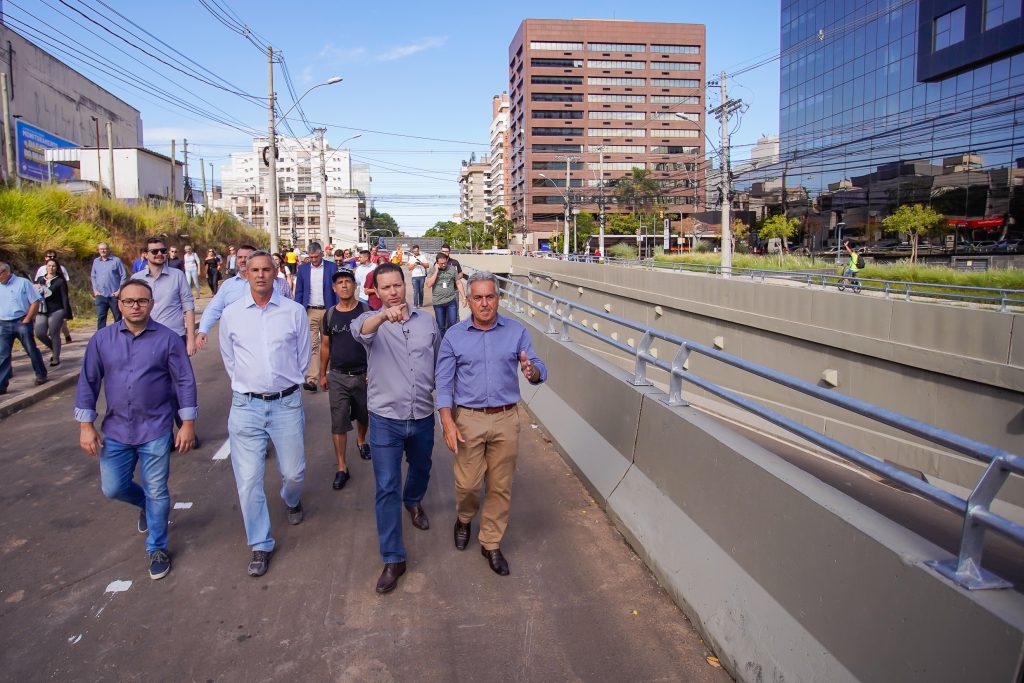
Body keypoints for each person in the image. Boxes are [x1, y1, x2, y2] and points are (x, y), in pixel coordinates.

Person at [74, 279, 197, 580]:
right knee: (113, 487)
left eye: (141, 301)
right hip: (116, 429)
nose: (135, 306)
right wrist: (85, 426)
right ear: (120, 304)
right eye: (129, 301)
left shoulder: (168, 339)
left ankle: (156, 547)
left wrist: (188, 424)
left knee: (157, 489)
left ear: (151, 304)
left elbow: (184, 381)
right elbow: (88, 381)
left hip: (156, 428)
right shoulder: (101, 340)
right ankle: (144, 505)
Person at [436, 271, 547, 576]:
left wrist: (531, 372)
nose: (484, 303)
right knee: (468, 484)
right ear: (468, 300)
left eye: (490, 297)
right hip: (468, 419)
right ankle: (464, 517)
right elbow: (443, 382)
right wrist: (447, 421)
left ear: (499, 298)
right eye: (478, 298)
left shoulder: (516, 332)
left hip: (506, 418)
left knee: (500, 486)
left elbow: (538, 367)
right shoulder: (454, 337)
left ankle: (491, 543)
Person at [219, 251, 310, 578]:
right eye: (254, 270)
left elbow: (302, 357)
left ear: (276, 274)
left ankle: (291, 499)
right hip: (245, 406)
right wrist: (250, 384)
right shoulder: (231, 315)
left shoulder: (294, 312)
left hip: (286, 404)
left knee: (294, 473)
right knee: (248, 480)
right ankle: (260, 543)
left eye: (266, 270)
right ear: (245, 274)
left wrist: (284, 385)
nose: (259, 275)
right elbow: (229, 359)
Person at [352, 263, 440, 594]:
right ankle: (393, 557)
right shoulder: (368, 321)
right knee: (386, 485)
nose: (393, 292)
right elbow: (362, 332)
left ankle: (414, 500)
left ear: (404, 285)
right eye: (385, 287)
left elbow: (439, 362)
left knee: (421, 467)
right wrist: (381, 317)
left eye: (397, 286)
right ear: (375, 291)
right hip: (385, 419)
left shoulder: (427, 322)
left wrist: (446, 406)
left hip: (421, 415)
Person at [319, 270, 371, 489]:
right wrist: (322, 373)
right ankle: (342, 467)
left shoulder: (367, 312)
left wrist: (374, 370)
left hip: (364, 376)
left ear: (354, 285)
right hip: (338, 376)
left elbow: (377, 344)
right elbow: (325, 346)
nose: (344, 286)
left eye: (347, 282)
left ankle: (361, 440)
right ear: (334, 288)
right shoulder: (330, 315)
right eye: (339, 283)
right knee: (338, 422)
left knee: (364, 414)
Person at [194, 244, 291, 351]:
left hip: (267, 341)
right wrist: (203, 330)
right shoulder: (228, 286)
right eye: (240, 257)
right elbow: (213, 309)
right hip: (237, 343)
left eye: (247, 257)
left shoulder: (270, 284)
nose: (243, 260)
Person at [131, 237, 196, 356]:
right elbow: (130, 310)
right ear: (145, 254)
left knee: (178, 375)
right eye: (155, 251)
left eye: (163, 251)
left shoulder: (178, 276)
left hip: (175, 337)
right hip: (145, 338)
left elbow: (189, 308)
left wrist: (191, 339)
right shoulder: (136, 279)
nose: (160, 254)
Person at [294, 242, 338, 392]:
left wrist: (339, 310)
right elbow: (299, 291)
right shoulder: (303, 270)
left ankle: (330, 376)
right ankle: (312, 379)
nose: (313, 260)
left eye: (316, 257)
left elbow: (336, 290)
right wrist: (297, 310)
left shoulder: (331, 267)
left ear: (321, 254)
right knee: (312, 345)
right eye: (311, 257)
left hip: (328, 310)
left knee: (330, 344)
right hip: (310, 311)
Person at [0, 261, 48, 393]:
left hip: (21, 321)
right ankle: (1, 385)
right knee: (3, 355)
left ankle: (40, 374)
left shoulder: (23, 283)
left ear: (7, 272)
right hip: (3, 323)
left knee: (31, 350)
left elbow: (35, 302)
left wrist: (27, 320)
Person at [34, 258, 73, 367]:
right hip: (42, 310)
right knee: (40, 332)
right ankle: (54, 347)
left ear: (57, 268)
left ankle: (56, 357)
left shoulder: (60, 281)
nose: (51, 268)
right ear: (45, 267)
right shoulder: (40, 279)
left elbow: (64, 297)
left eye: (53, 266)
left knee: (54, 332)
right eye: (49, 266)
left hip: (56, 309)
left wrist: (66, 313)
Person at [35, 249, 72, 344]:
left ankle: (66, 336)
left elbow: (64, 284)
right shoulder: (41, 270)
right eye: (49, 257)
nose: (51, 258)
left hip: (57, 301)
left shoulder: (61, 268)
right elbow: (37, 283)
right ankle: (54, 345)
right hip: (44, 302)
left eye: (53, 257)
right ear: (45, 258)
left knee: (62, 323)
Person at [426, 252, 464, 337]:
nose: (443, 265)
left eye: (445, 263)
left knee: (452, 324)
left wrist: (464, 297)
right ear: (437, 263)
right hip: (438, 303)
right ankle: (442, 344)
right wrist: (436, 271)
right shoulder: (432, 270)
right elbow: (428, 284)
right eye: (441, 263)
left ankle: (451, 342)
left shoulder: (452, 269)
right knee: (441, 327)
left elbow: (458, 283)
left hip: (451, 301)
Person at [91, 242, 127, 329]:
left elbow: (124, 275)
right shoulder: (96, 261)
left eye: (105, 249)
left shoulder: (116, 260)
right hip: (101, 294)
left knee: (117, 317)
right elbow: (93, 276)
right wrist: (95, 290)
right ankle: (100, 338)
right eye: (101, 249)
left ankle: (118, 335)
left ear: (108, 249)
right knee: (101, 317)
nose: (103, 250)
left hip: (113, 294)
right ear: (98, 250)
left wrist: (119, 291)